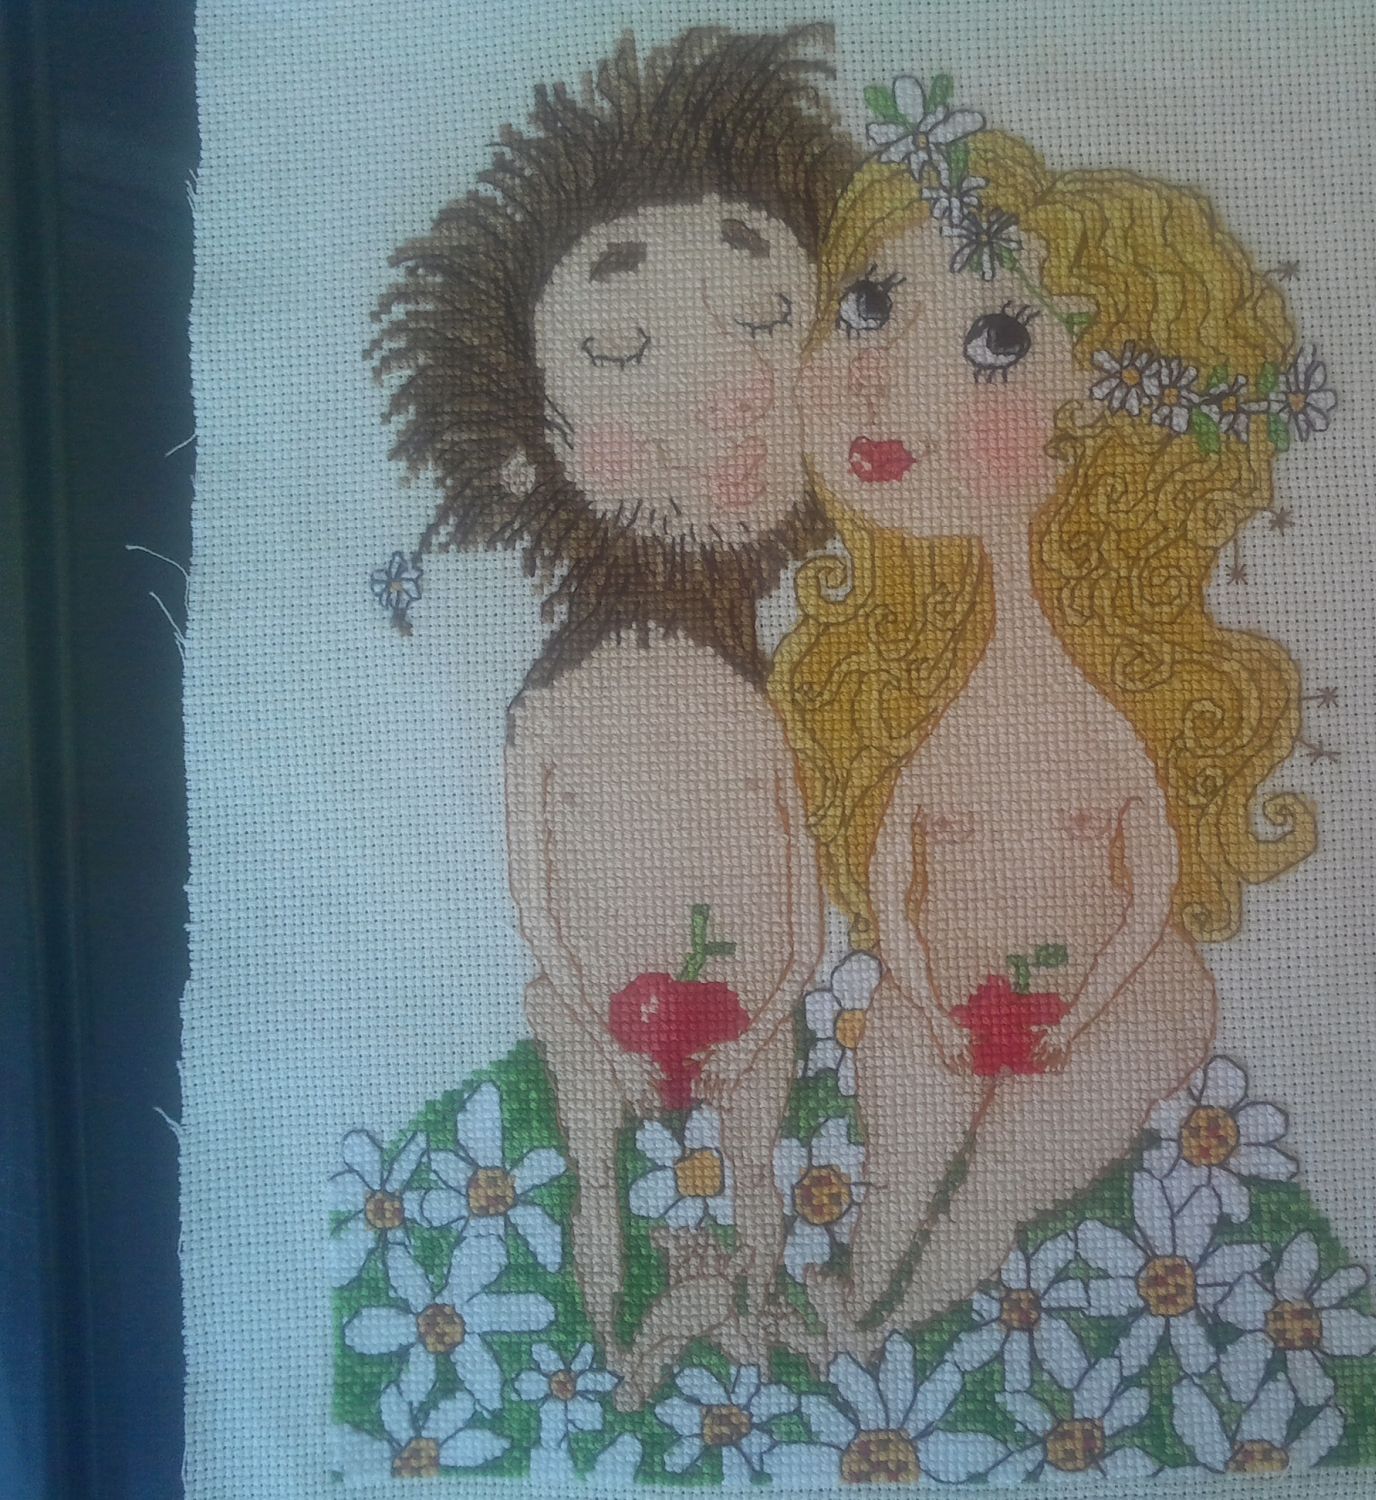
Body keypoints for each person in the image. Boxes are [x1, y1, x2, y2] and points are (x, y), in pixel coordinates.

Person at [772, 105, 1321, 1350]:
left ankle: (894, 1315)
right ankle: (863, 1309)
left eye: (996, 339)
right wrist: (924, 994)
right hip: (941, 990)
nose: (874, 371)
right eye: (867, 304)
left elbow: (1149, 874)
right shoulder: (907, 675)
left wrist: (1072, 1016)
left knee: (1008, 1157)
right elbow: (892, 865)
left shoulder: (1098, 702)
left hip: (1116, 998)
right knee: (903, 1124)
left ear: (1113, 424)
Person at [370, 25, 855, 1398]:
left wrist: (773, 1000)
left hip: (749, 1008)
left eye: (768, 322)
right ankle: (611, 1347)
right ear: (531, 434)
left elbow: (801, 868)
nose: (728, 390)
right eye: (622, 347)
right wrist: (589, 999)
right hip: (598, 1008)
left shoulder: (783, 696)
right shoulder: (558, 705)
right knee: (598, 1171)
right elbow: (534, 882)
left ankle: (745, 1313)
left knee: (753, 1157)